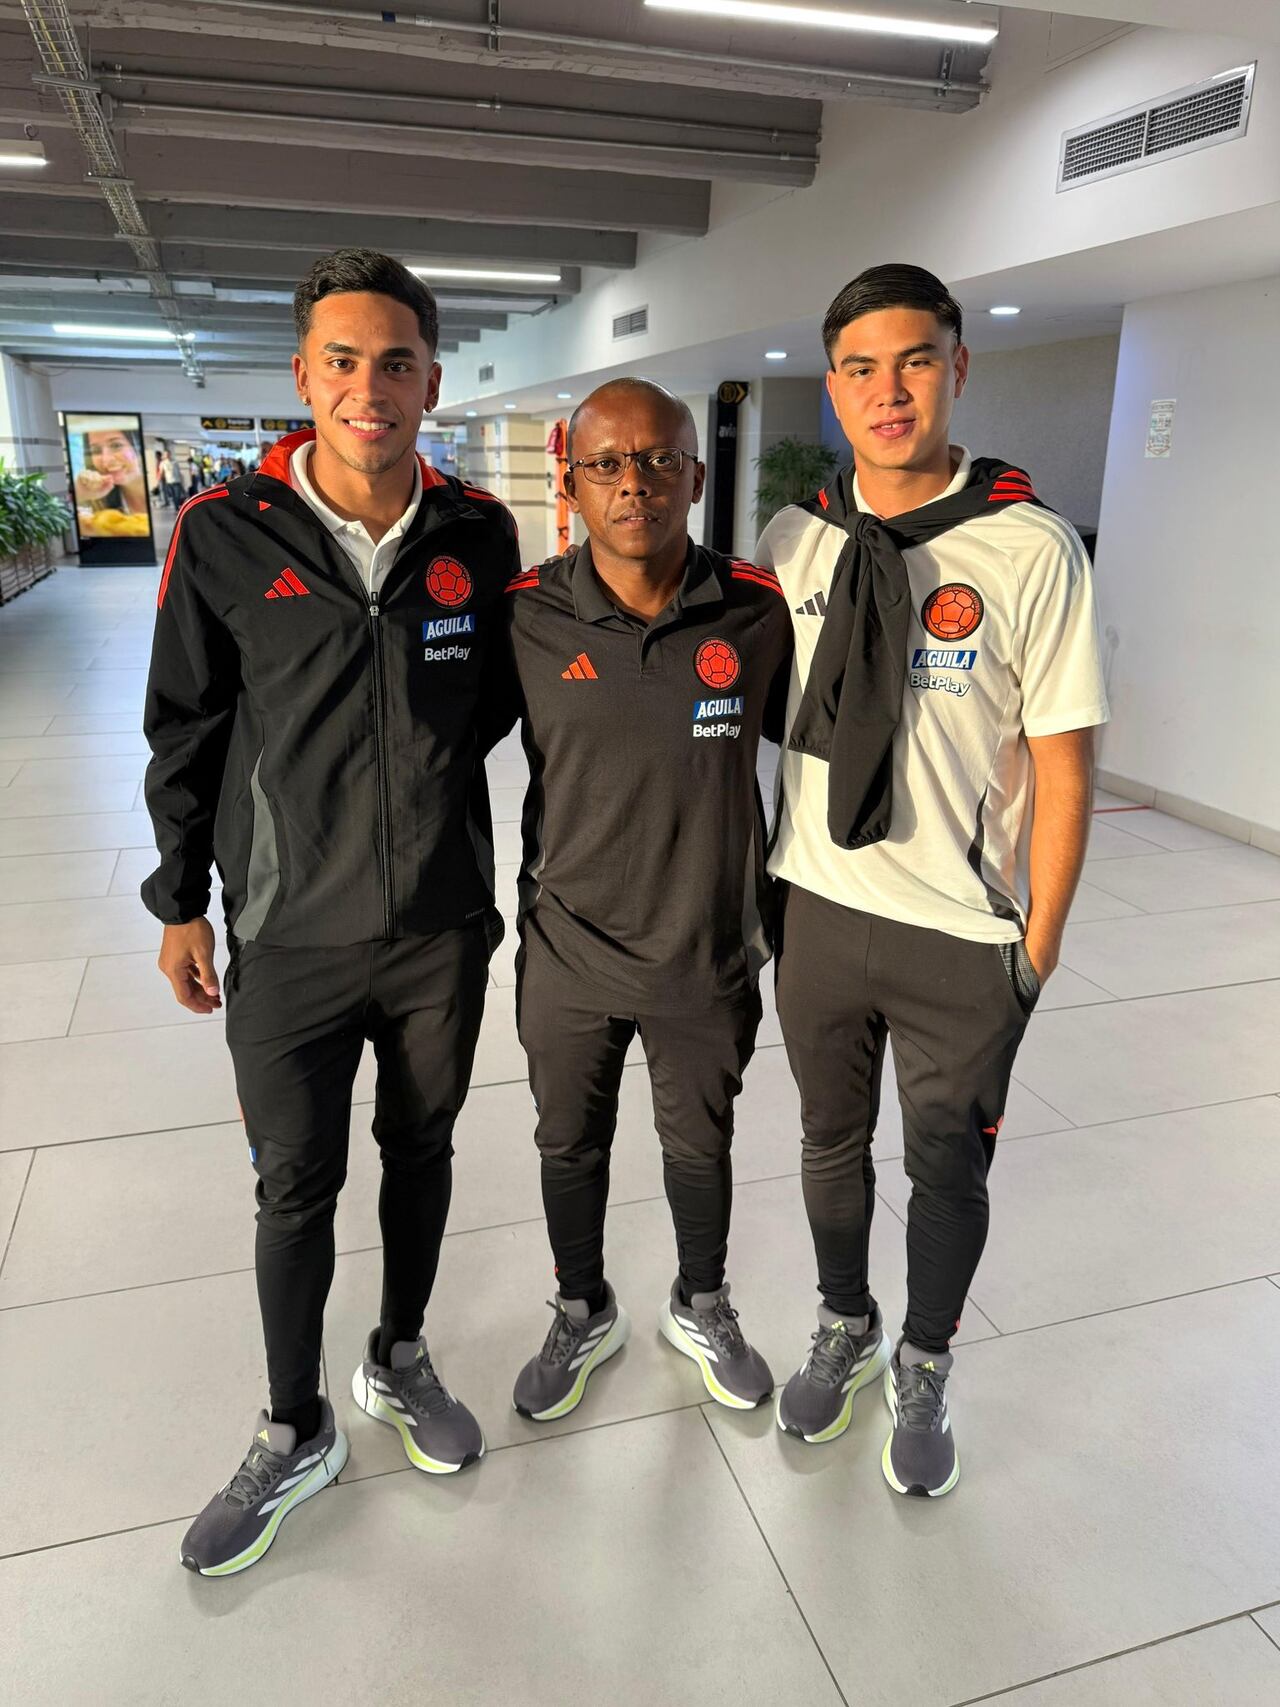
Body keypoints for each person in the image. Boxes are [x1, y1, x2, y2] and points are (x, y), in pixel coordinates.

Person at [142, 247, 521, 1576]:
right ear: (305, 377)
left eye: (398, 361)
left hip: (437, 929)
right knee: (294, 1183)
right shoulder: (224, 532)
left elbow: (492, 716)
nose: (372, 386)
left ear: (431, 377)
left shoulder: (480, 533)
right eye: (343, 362)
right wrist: (182, 899)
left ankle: (399, 1354)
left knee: (422, 1152)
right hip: (289, 931)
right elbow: (184, 724)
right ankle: (290, 1422)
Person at [759, 264, 1108, 1497]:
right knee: (823, 1144)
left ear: (955, 367)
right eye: (857, 366)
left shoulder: (1027, 546)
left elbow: (1065, 766)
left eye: (912, 360)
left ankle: (925, 1358)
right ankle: (845, 1321)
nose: (884, 389)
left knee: (945, 1167)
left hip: (962, 935)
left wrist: (1038, 948)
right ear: (834, 383)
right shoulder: (790, 537)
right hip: (815, 909)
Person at [493, 379, 791, 1421]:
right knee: (566, 1142)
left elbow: (834, 745)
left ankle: (699, 1299)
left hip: (703, 950)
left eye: (659, 460)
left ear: (695, 475)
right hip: (568, 947)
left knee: (697, 1144)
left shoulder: (754, 609)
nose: (636, 484)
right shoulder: (526, 613)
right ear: (569, 482)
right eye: (607, 464)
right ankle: (581, 1306)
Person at [74, 422, 149, 515]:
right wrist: (81, 495)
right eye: (96, 450)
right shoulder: (99, 503)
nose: (106, 460)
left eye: (116, 445)